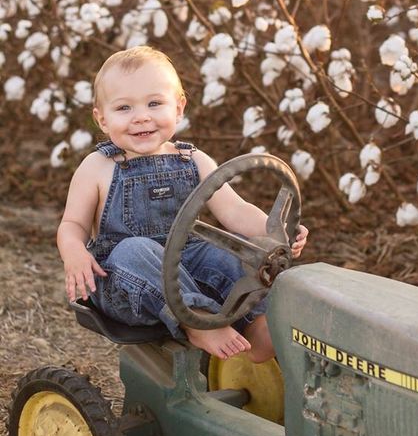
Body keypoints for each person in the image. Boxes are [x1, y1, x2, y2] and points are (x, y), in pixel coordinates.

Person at [57, 46, 308, 362]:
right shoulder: (97, 167)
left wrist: (274, 230)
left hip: (187, 261)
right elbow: (73, 225)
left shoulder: (195, 161)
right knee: (135, 249)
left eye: (154, 103)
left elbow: (235, 210)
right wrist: (74, 253)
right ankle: (197, 320)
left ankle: (258, 321)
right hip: (124, 279)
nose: (142, 116)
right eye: (124, 108)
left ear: (178, 108)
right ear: (102, 119)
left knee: (239, 252)